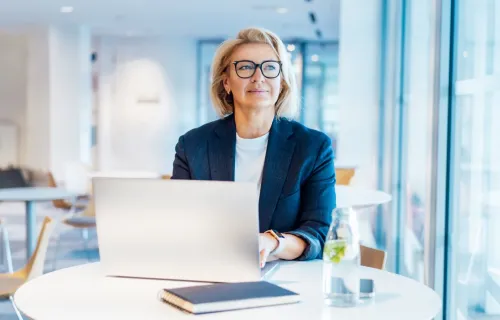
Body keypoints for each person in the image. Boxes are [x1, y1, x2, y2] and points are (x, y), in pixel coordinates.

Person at [172, 27, 336, 267]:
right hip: (210, 270)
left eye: (270, 68)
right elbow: (178, 222)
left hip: (286, 276)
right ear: (226, 81)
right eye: (246, 67)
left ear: (282, 81)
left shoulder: (313, 147)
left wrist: (273, 242)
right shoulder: (192, 145)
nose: (258, 77)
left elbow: (319, 233)